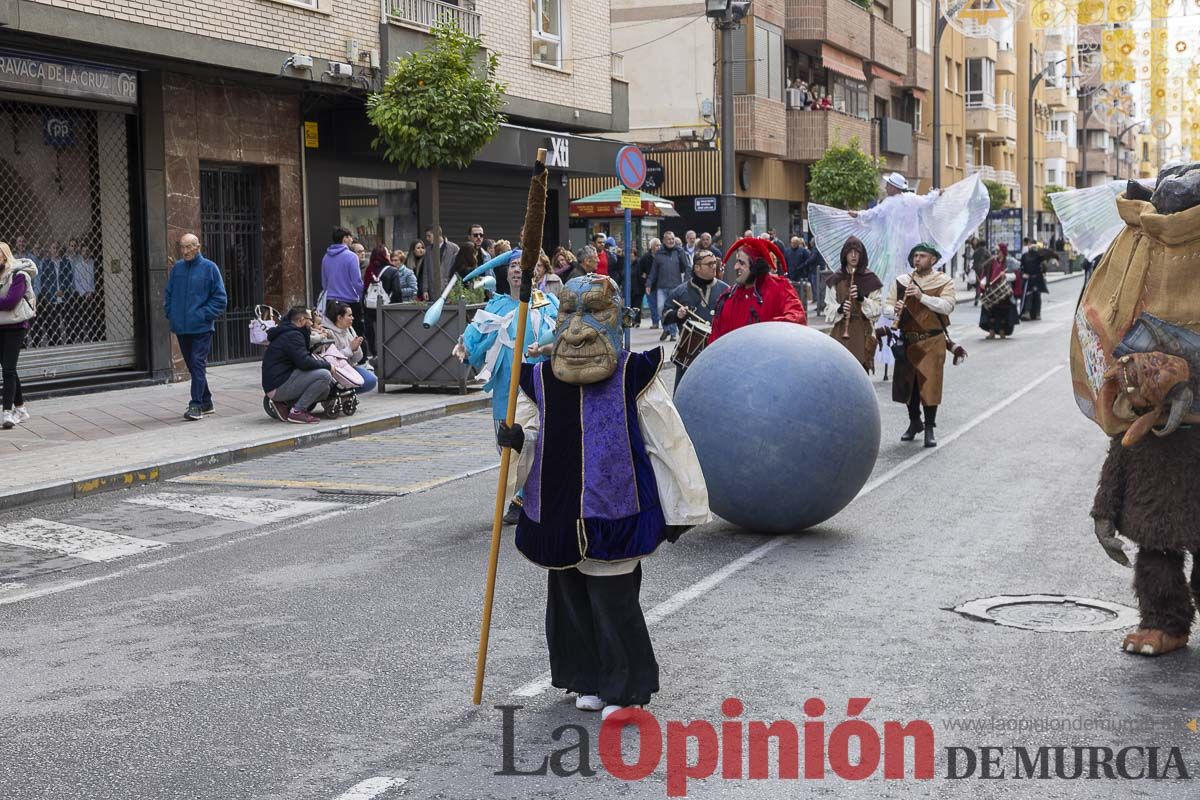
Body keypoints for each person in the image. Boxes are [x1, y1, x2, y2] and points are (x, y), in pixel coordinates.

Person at [497, 274, 710, 719]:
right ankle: (586, 678)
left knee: (614, 603)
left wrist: (682, 505)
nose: (578, 329)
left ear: (618, 318)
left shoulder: (635, 374)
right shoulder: (537, 379)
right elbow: (531, 437)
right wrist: (517, 441)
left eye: (594, 312)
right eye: (568, 314)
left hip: (616, 510)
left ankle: (623, 688)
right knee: (570, 598)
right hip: (556, 509)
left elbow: (667, 441)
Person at [454, 254, 558, 524]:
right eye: (513, 266)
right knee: (508, 443)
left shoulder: (548, 303)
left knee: (538, 441)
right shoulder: (497, 305)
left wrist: (546, 347)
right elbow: (475, 334)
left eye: (523, 266)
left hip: (540, 382)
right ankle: (521, 493)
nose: (517, 271)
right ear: (507, 273)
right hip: (506, 385)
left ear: (534, 272)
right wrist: (464, 348)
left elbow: (563, 332)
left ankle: (524, 497)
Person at [811, 172, 990, 294]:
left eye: (888, 185)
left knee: (895, 277)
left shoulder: (890, 203)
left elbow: (873, 214)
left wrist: (857, 215)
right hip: (912, 248)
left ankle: (898, 297)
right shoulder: (911, 199)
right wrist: (938, 193)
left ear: (894, 188)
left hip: (895, 250)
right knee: (913, 273)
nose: (886, 187)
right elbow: (928, 200)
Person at [886, 244, 955, 448]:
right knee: (909, 385)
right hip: (908, 339)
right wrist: (894, 310)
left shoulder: (944, 281)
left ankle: (930, 427)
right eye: (915, 255)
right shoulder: (902, 281)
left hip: (932, 340)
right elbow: (888, 305)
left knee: (930, 385)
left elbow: (947, 306)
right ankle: (914, 422)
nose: (917, 259)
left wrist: (921, 296)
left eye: (922, 256)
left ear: (933, 259)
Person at [164, 233, 227, 421]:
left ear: (197, 247)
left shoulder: (210, 268)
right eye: (182, 247)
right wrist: (170, 312)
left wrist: (203, 315)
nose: (184, 251)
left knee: (198, 363)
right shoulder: (177, 269)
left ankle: (196, 405)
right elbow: (169, 293)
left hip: (201, 328)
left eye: (188, 247)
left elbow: (220, 298)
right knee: (193, 366)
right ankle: (206, 401)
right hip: (182, 328)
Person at [708, 237, 807, 344]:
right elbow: (715, 341)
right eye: (737, 262)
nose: (735, 267)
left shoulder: (780, 288)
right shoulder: (727, 298)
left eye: (741, 263)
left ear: (756, 267)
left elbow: (796, 318)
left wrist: (764, 331)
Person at [661, 248, 728, 390]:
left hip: (717, 351)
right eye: (708, 264)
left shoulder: (725, 290)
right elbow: (665, 317)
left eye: (714, 263)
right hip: (689, 355)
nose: (713, 267)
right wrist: (677, 314)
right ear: (697, 268)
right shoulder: (680, 291)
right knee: (685, 392)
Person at [262, 306, 332, 424]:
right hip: (277, 385)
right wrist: (328, 365)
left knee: (325, 389)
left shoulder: (291, 332)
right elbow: (304, 362)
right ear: (301, 321)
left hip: (277, 382)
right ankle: (297, 411)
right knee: (324, 375)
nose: (312, 322)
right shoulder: (293, 336)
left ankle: (285, 403)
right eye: (310, 319)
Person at [823, 236, 883, 372]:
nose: (854, 255)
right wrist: (839, 309)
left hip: (862, 332)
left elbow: (877, 310)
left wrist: (862, 300)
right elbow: (828, 309)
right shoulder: (835, 279)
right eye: (850, 252)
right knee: (839, 372)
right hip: (840, 331)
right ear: (845, 254)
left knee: (860, 373)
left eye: (857, 252)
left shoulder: (870, 279)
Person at [0, 242, 37, 430]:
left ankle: (7, 412)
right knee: (9, 369)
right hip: (1, 326)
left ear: (5, 256)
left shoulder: (19, 275)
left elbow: (10, 302)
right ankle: (21, 409)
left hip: (16, 326)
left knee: (7, 369)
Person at [324, 301, 378, 394]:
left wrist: (355, 349)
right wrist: (349, 349)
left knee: (371, 380)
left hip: (349, 367)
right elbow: (331, 359)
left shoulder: (349, 328)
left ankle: (347, 393)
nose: (352, 318)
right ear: (339, 318)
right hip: (335, 372)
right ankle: (336, 393)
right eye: (349, 315)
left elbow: (357, 359)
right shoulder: (328, 333)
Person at [647, 231, 690, 342]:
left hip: (676, 287)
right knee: (661, 308)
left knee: (673, 310)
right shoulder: (659, 254)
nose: (671, 241)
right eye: (669, 239)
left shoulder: (679, 252)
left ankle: (673, 333)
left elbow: (687, 267)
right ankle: (666, 328)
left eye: (672, 238)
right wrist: (649, 284)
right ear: (664, 241)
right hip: (662, 286)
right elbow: (653, 271)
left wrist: (685, 282)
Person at [321, 227, 364, 326]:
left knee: (334, 332)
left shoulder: (326, 257)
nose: (352, 240)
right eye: (350, 237)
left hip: (331, 302)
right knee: (355, 334)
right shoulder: (352, 256)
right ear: (345, 238)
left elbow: (324, 283)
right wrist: (362, 297)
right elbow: (357, 282)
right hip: (349, 302)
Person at [978, 243, 1020, 340]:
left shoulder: (1010, 262)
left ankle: (1002, 331)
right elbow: (987, 274)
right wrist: (983, 282)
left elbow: (1016, 275)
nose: (997, 253)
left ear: (1003, 252)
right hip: (992, 289)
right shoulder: (992, 261)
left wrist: (1006, 276)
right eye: (996, 251)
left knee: (1003, 312)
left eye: (999, 251)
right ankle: (991, 332)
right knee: (990, 312)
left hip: (1004, 291)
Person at [1019, 237, 1054, 320]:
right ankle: (1027, 312)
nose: (1031, 247)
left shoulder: (1039, 256)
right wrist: (1023, 274)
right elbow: (1021, 267)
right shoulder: (1024, 256)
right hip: (1028, 279)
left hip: (1037, 278)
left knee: (1037, 296)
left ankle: (1037, 313)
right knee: (1028, 295)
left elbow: (1044, 266)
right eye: (1030, 245)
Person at [636, 239, 660, 328]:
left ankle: (663, 322)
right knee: (653, 304)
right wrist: (644, 281)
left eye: (659, 245)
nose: (659, 247)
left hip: (661, 284)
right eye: (657, 245)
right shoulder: (645, 257)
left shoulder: (662, 256)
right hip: (650, 285)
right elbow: (640, 271)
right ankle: (655, 322)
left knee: (661, 305)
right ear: (652, 247)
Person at [970, 237, 991, 306]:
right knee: (984, 284)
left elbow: (974, 260)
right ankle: (984, 298)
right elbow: (990, 260)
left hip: (977, 270)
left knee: (978, 284)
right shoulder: (987, 251)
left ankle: (977, 298)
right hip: (984, 270)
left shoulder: (976, 252)